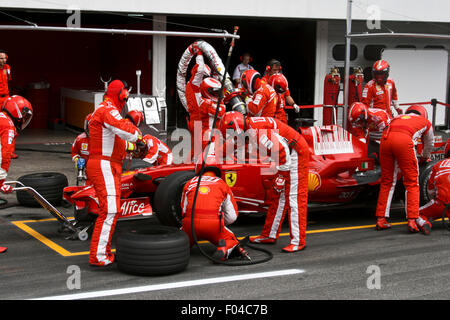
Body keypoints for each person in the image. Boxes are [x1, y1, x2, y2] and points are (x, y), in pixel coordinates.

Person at [220, 112, 310, 252]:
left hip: (295, 153)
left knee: (294, 198)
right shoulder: (247, 127)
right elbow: (234, 143)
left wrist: (281, 177)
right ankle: (269, 235)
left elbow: (282, 151)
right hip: (284, 157)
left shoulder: (257, 132)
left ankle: (298, 241)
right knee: (277, 196)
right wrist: (215, 154)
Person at [86, 79, 146, 267]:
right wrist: (139, 138)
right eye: (126, 94)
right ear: (121, 94)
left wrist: (132, 148)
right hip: (103, 165)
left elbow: (116, 140)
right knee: (110, 210)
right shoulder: (107, 109)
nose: (126, 98)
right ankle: (98, 255)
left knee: (112, 210)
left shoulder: (106, 110)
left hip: (108, 165)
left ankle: (102, 252)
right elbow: (123, 128)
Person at [375, 104, 434, 232]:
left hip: (385, 141)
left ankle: (381, 219)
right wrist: (424, 157)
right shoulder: (425, 122)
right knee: (412, 182)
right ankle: (412, 220)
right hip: (404, 141)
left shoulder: (397, 118)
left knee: (387, 182)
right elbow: (430, 144)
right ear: (423, 114)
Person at [180, 150, 249, 261]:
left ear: (198, 166)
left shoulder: (190, 182)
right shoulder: (222, 184)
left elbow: (183, 210)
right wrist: (219, 222)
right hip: (213, 225)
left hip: (190, 224)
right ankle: (224, 249)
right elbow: (232, 216)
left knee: (178, 241)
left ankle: (181, 248)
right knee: (232, 238)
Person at [0, 95, 33, 254]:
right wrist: (1, 181)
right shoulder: (7, 126)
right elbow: (6, 154)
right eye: (24, 116)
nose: (24, 119)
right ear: (17, 112)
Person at [416, 142, 450, 235]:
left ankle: (424, 224)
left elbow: (430, 190)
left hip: (442, 205)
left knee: (415, 214)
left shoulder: (438, 165)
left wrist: (434, 200)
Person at [195, 77, 226, 152]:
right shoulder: (205, 103)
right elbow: (221, 112)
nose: (218, 94)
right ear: (207, 91)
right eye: (216, 92)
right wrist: (223, 101)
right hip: (208, 137)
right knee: (210, 159)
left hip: (216, 134)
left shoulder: (210, 101)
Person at [71, 113, 92, 184]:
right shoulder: (80, 139)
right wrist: (77, 160)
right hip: (87, 174)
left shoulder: (104, 139)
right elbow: (74, 152)